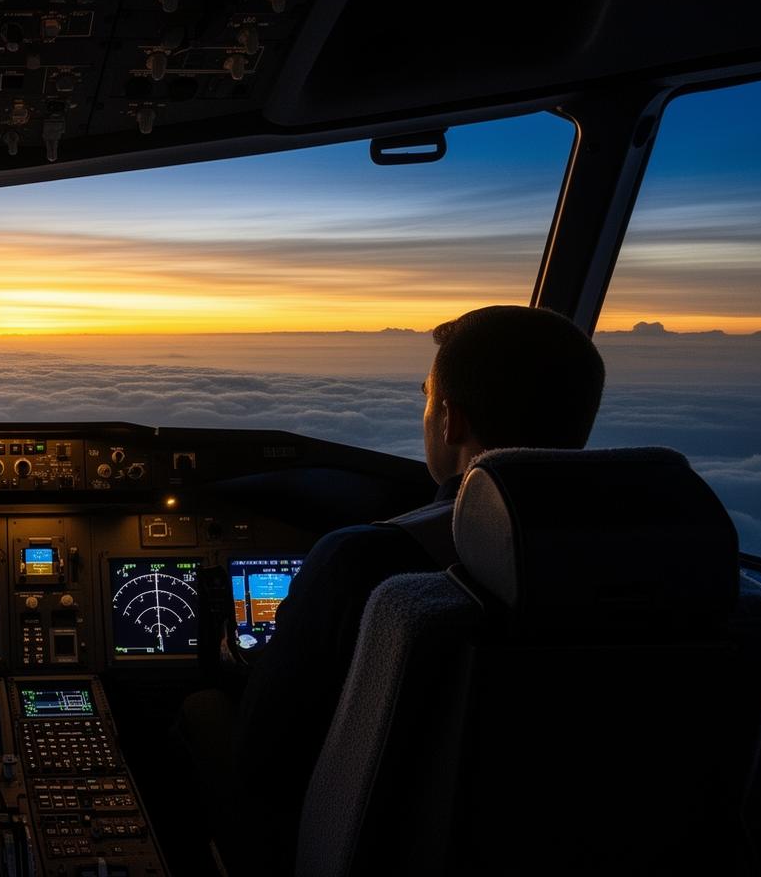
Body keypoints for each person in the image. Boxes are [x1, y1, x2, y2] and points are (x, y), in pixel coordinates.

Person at [222, 304, 605, 873]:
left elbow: (266, 760)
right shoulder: (665, 564)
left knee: (201, 714)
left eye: (428, 396)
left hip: (376, 850)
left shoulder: (364, 559)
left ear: (451, 421)